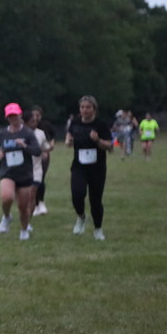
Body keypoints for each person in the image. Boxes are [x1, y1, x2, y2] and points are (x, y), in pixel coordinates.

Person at [64, 95, 112, 240]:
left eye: (88, 107)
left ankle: (98, 229)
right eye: (82, 107)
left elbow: (109, 146)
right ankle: (81, 216)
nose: (84, 110)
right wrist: (68, 140)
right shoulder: (75, 122)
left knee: (95, 200)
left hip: (97, 168)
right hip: (79, 166)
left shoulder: (100, 124)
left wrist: (98, 140)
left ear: (94, 109)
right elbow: (69, 135)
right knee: (77, 194)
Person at [0, 103, 41, 240]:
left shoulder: (28, 133)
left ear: (20, 115)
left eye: (15, 115)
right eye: (10, 116)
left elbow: (37, 151)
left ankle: (24, 230)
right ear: (7, 117)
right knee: (6, 197)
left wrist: (24, 145)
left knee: (23, 206)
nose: (13, 118)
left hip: (24, 173)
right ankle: (7, 216)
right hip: (7, 171)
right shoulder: (2, 134)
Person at [31, 105, 56, 216]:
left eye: (38, 115)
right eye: (34, 115)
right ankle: (34, 204)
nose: (36, 117)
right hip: (32, 156)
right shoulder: (28, 127)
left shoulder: (45, 125)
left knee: (40, 179)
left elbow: (52, 136)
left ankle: (40, 202)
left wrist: (50, 145)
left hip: (44, 155)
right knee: (32, 180)